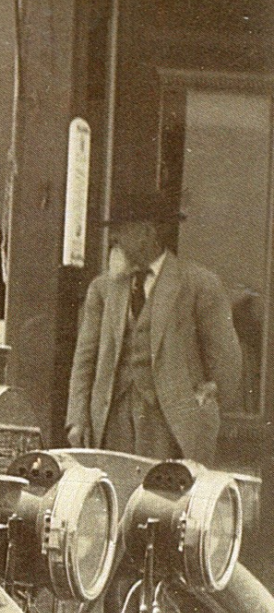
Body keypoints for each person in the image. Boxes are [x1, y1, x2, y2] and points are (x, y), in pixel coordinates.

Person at [65, 190, 242, 464]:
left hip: (172, 428)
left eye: (121, 230)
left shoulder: (198, 284)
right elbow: (84, 360)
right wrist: (77, 418)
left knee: (163, 501)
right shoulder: (102, 289)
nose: (114, 238)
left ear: (147, 232)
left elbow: (226, 361)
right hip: (111, 422)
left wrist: (204, 408)